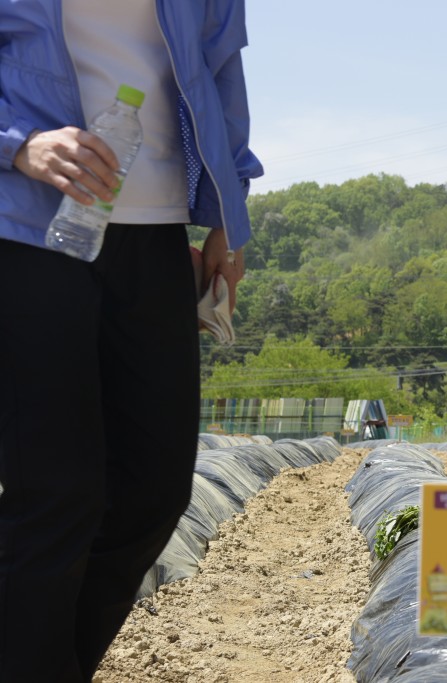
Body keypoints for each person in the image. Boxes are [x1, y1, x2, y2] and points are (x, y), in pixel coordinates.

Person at [0, 2, 261, 680]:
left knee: (155, 487)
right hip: (26, 228)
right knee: (55, 492)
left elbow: (219, 68)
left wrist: (229, 209)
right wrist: (18, 142)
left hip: (157, 224)